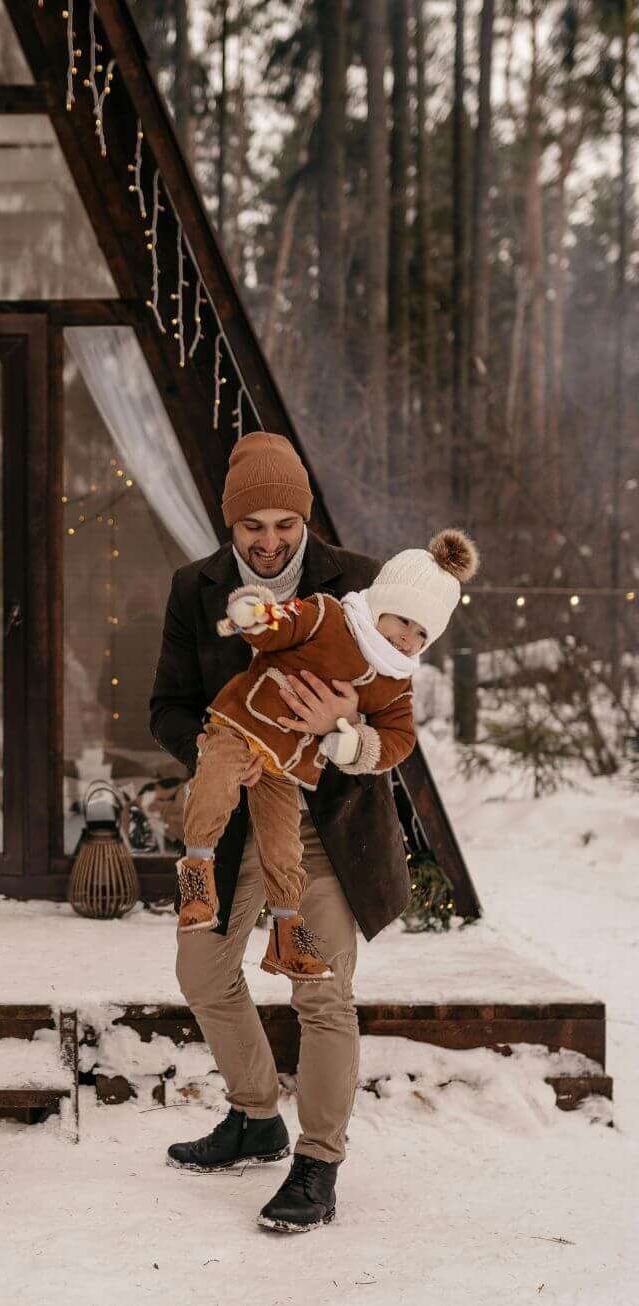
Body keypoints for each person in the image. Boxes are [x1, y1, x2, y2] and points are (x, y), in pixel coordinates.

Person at [150, 431, 421, 1233]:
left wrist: (344, 720)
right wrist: (205, 741)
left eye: (284, 527)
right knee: (202, 972)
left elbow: (399, 714)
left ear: (304, 522)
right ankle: (256, 1115)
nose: (269, 543)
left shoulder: (363, 583)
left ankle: (318, 1163)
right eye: (252, 528)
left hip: (328, 823)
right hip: (238, 815)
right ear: (230, 527)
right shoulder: (194, 588)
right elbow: (165, 703)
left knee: (322, 992)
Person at [177, 527, 479, 988]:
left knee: (284, 848)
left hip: (287, 765)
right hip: (241, 724)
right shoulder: (329, 616)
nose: (408, 640)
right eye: (403, 622)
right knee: (214, 788)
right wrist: (258, 616)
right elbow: (288, 621)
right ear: (380, 603)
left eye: (422, 634)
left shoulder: (396, 682)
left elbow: (399, 739)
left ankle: (286, 932)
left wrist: (353, 740)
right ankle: (197, 874)